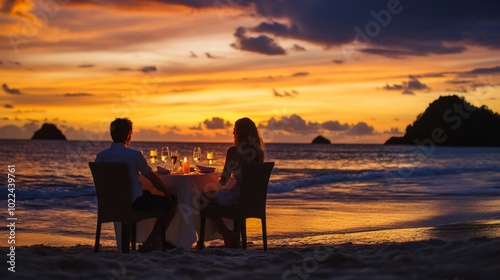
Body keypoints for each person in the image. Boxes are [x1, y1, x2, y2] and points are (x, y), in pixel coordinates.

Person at [95, 118, 176, 252]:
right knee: (172, 201)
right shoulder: (134, 155)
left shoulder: (100, 157)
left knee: (146, 195)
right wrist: (166, 192)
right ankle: (149, 244)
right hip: (133, 203)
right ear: (129, 135)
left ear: (111, 134)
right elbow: (152, 179)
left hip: (109, 205)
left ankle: (146, 244)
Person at [210, 117, 265, 248]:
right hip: (254, 198)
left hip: (238, 197)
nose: (233, 133)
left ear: (240, 132)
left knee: (203, 199)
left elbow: (224, 181)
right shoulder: (259, 152)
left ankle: (226, 233)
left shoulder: (233, 151)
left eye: (234, 130)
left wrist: (209, 177)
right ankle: (234, 235)